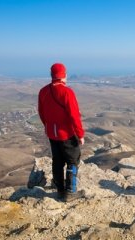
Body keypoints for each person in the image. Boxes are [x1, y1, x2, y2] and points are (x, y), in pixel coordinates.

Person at [38, 63, 85, 202]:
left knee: (57, 161)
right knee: (72, 161)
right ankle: (70, 192)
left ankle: (60, 190)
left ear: (52, 75)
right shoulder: (67, 92)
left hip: (52, 134)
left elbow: (41, 113)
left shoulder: (43, 91)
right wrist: (80, 134)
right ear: (64, 75)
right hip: (66, 134)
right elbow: (74, 116)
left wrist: (49, 127)